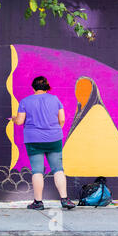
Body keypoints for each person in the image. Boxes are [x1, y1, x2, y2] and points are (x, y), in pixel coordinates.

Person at [12, 76, 76, 210]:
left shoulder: (25, 101)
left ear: (33, 88)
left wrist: (13, 119)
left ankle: (38, 202)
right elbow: (62, 120)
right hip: (54, 138)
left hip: (33, 139)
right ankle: (65, 199)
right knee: (58, 169)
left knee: (37, 171)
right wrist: (54, 130)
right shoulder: (55, 99)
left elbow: (19, 121)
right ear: (47, 87)